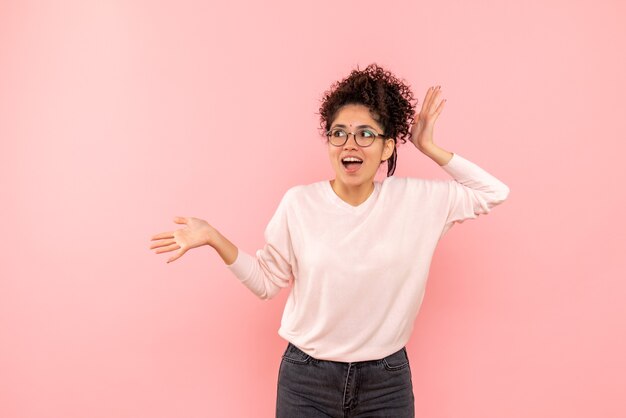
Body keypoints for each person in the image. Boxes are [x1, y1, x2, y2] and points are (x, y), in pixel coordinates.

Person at [149, 63, 510, 417]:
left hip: (386, 381)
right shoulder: (299, 203)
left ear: (387, 147)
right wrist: (213, 237)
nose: (350, 144)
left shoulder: (416, 202)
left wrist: (428, 146)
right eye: (339, 133)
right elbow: (265, 282)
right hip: (306, 379)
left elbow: (493, 192)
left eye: (366, 134)